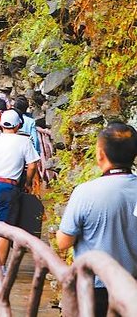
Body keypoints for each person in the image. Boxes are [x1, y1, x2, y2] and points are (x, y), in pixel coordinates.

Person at [56, 122, 137, 317]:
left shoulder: (86, 192)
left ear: (100, 154)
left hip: (93, 287)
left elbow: (63, 242)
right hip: (132, 286)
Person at [0, 110, 40, 266]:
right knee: (6, 229)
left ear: (1, 125)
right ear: (18, 126)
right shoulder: (24, 142)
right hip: (9, 187)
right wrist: (28, 183)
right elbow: (32, 164)